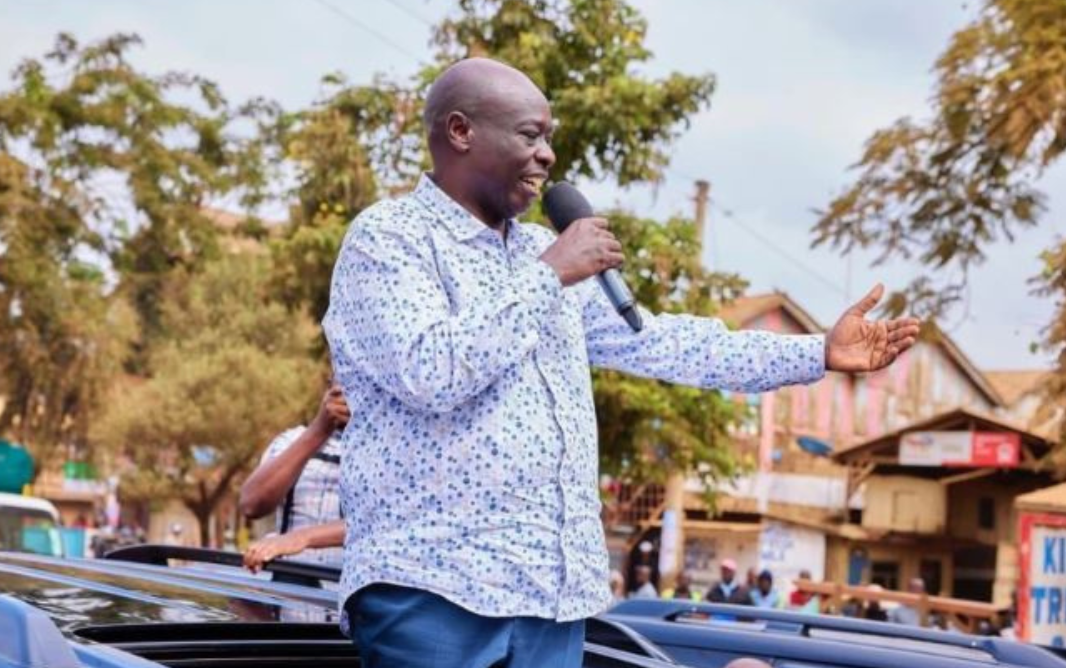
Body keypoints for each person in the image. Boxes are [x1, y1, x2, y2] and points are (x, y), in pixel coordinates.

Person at [322, 57, 921, 668]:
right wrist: (549, 276)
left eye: (549, 138)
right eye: (530, 135)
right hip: (435, 592)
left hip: (549, 600)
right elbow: (431, 371)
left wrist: (816, 351)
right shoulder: (390, 239)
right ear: (460, 131)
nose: (548, 155)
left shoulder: (534, 253)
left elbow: (664, 342)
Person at [238, 385, 350, 568]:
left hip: (348, 587)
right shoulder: (291, 440)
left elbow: (384, 522)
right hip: (289, 582)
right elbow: (251, 505)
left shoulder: (391, 449)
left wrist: (300, 538)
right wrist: (320, 430)